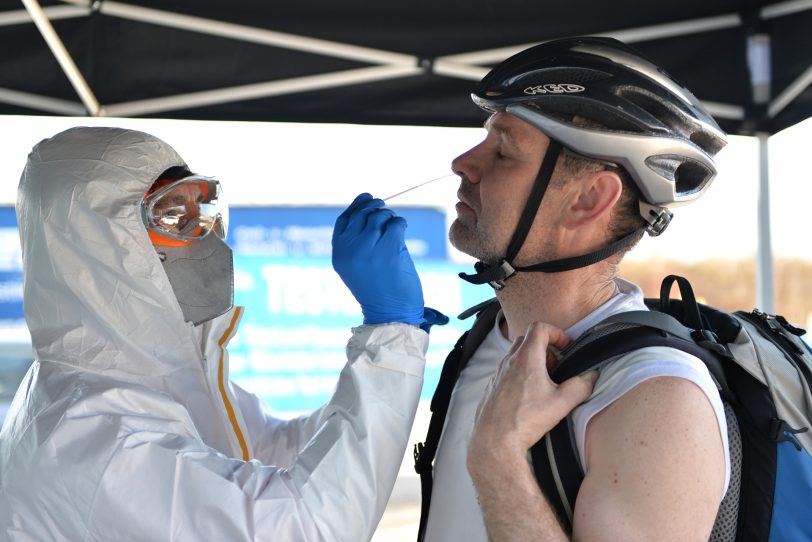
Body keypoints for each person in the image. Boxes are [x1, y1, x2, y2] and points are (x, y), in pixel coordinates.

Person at [0, 126, 444, 541]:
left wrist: (392, 356)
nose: (204, 233)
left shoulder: (151, 375)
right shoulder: (94, 433)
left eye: (204, 207)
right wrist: (390, 336)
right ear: (96, 245)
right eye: (173, 215)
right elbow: (302, 527)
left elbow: (274, 448)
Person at [423, 37, 731, 541]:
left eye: (503, 150)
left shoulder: (656, 396)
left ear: (588, 200)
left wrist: (496, 460)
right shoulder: (484, 342)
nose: (464, 162)